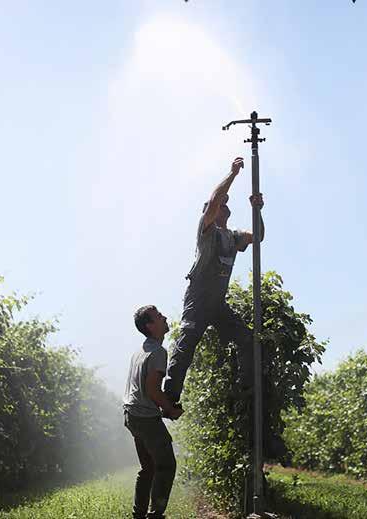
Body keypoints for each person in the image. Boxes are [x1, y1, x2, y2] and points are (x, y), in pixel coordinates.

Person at [163, 157, 264, 404]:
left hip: (218, 304)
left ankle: (248, 387)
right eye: (220, 204)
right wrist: (232, 175)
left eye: (225, 204)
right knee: (187, 345)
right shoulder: (206, 231)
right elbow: (216, 199)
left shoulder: (233, 236)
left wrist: (257, 210)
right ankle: (171, 395)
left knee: (247, 340)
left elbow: (258, 236)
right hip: (198, 300)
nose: (224, 205)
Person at [123, 305, 184, 519]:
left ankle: (138, 515)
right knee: (166, 465)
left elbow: (144, 389)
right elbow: (152, 390)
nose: (165, 317)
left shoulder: (140, 351)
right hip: (145, 418)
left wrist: (164, 405)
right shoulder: (158, 352)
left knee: (148, 468)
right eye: (159, 316)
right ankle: (155, 515)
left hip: (131, 415)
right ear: (150, 325)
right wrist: (170, 409)